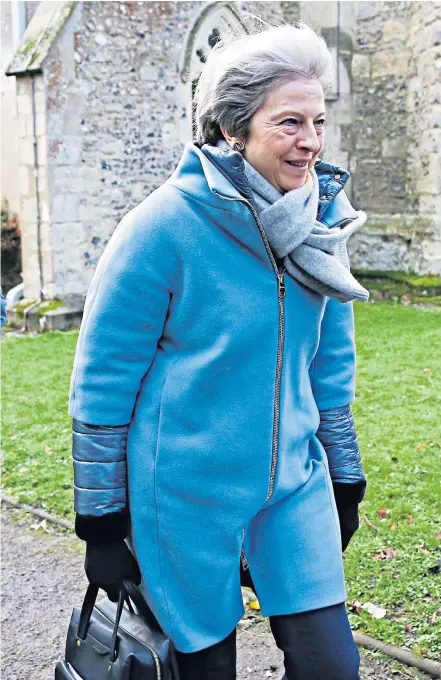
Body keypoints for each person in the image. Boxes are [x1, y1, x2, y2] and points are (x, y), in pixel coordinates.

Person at [69, 21, 369, 680]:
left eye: (318, 121)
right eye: (289, 122)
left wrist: (343, 473)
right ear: (234, 127)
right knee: (204, 669)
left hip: (292, 484)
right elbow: (103, 380)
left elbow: (329, 363)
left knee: (330, 665)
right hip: (181, 494)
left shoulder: (321, 219)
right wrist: (99, 518)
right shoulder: (164, 225)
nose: (311, 141)